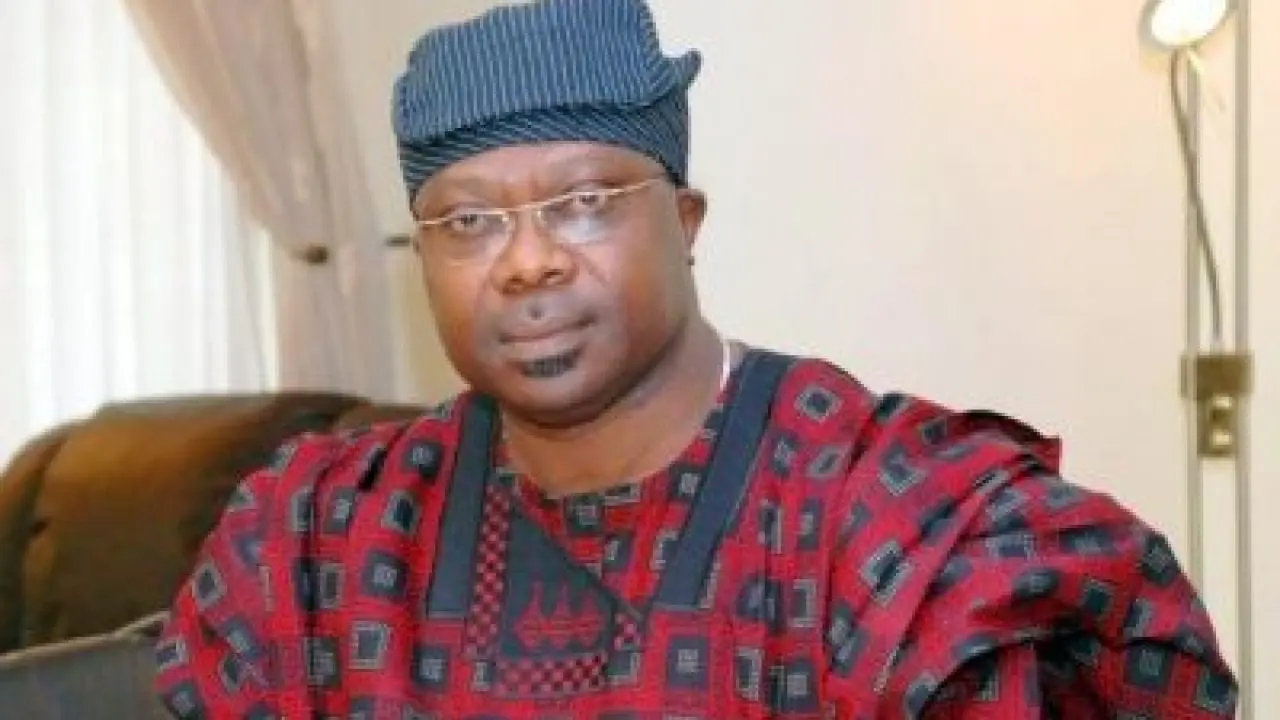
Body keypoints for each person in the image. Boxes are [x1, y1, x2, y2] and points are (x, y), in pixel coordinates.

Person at [153, 0, 1238, 717]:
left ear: (684, 221)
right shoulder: (320, 540)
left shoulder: (905, 529)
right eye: (469, 222)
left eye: (584, 201)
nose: (526, 262)